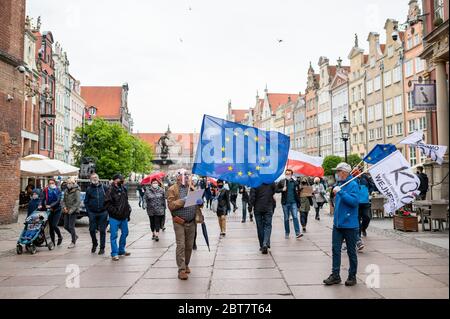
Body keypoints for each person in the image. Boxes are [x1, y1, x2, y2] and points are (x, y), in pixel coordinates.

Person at [323, 162, 359, 287]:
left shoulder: (353, 184)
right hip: (338, 224)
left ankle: (352, 276)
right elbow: (337, 202)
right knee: (335, 250)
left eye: (338, 172)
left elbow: (354, 202)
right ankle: (335, 275)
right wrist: (332, 196)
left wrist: (341, 193)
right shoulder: (339, 184)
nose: (336, 174)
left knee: (351, 252)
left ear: (344, 172)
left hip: (350, 225)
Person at [167, 169, 203, 280]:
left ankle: (186, 264)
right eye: (183, 176)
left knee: (189, 246)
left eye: (187, 176)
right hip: (179, 222)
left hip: (191, 221)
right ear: (177, 177)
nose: (186, 178)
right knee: (181, 245)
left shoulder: (191, 188)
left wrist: (200, 201)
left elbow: (200, 205)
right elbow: (171, 206)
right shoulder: (172, 189)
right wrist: (184, 200)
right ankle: (181, 270)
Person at [105, 174, 132, 261]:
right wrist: (115, 212)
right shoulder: (110, 190)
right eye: (120, 179)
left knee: (125, 233)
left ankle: (121, 250)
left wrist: (128, 212)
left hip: (124, 216)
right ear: (115, 180)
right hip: (114, 217)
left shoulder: (123, 188)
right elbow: (107, 204)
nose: (122, 180)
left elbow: (126, 201)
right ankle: (114, 253)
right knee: (114, 235)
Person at [84, 173, 109, 255]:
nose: (94, 179)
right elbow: (86, 201)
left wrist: (107, 210)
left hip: (103, 212)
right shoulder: (89, 189)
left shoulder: (104, 188)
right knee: (91, 230)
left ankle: (102, 248)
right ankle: (95, 243)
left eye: (96, 177)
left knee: (102, 231)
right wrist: (89, 212)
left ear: (98, 178)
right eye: (93, 177)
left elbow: (109, 199)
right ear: (91, 179)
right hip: (92, 212)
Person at [249, 182, 276, 254]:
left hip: (258, 207)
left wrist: (250, 207)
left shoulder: (255, 183)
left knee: (260, 227)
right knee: (268, 226)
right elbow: (273, 191)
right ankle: (265, 243)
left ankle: (262, 245)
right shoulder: (271, 181)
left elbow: (252, 197)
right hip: (268, 206)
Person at [277, 169, 303, 239]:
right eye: (286, 174)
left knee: (295, 217)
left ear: (291, 175)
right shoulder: (282, 182)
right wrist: (282, 189)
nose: (287, 175)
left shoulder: (294, 182)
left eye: (289, 174)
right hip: (285, 203)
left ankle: (297, 233)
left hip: (293, 202)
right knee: (286, 218)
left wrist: (298, 202)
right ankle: (287, 232)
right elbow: (276, 190)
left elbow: (298, 191)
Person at [355, 171, 376, 251]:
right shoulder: (353, 179)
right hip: (356, 203)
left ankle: (364, 228)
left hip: (365, 202)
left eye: (358, 171)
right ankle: (358, 237)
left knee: (367, 217)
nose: (357, 173)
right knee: (357, 219)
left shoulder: (365, 177)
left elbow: (372, 185)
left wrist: (369, 191)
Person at [40, 178, 63, 246]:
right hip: (49, 210)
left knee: (54, 225)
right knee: (51, 227)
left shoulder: (58, 190)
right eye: (50, 183)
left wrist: (50, 205)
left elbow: (58, 200)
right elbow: (43, 198)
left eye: (52, 183)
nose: (51, 184)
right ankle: (53, 242)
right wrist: (42, 205)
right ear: (48, 184)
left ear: (55, 183)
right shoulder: (46, 190)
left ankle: (60, 236)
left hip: (57, 209)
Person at [61, 177, 81, 249]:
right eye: (67, 183)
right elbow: (63, 200)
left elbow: (78, 201)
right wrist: (64, 207)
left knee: (71, 226)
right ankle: (75, 236)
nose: (68, 184)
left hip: (74, 211)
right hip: (67, 210)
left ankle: (73, 241)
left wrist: (71, 210)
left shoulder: (77, 190)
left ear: (73, 183)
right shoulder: (66, 190)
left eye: (70, 183)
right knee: (66, 226)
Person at [145, 178, 166, 242]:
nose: (155, 184)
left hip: (159, 209)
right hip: (151, 209)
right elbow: (145, 199)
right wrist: (145, 205)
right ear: (151, 184)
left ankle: (157, 235)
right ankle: (153, 233)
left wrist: (164, 207)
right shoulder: (148, 190)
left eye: (156, 183)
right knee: (152, 222)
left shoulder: (161, 190)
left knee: (157, 222)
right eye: (153, 183)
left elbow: (164, 198)